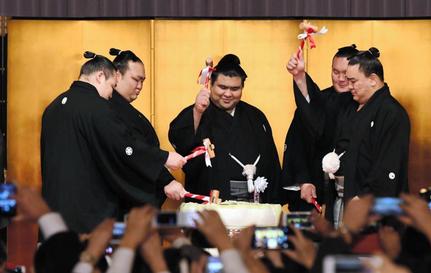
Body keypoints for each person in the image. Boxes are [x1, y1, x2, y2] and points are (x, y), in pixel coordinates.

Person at [41, 52, 186, 233]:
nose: (111, 95)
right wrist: (163, 158)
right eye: (112, 86)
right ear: (100, 76)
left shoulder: (52, 108)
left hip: (52, 209)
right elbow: (123, 148)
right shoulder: (97, 107)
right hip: (85, 212)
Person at [169, 54, 281, 203]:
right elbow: (182, 142)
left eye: (235, 89)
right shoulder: (199, 112)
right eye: (222, 87)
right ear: (211, 85)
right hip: (211, 201)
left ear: (242, 88)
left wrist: (273, 200)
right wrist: (197, 111)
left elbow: (270, 160)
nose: (228, 94)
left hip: (252, 202)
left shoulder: (255, 116)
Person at [327, 47, 410, 224]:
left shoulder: (391, 112)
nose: (349, 86)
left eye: (353, 81)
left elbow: (388, 166)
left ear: (373, 79)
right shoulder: (359, 108)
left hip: (375, 208)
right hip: (351, 198)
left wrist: (363, 199)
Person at [281, 45, 359, 216]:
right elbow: (298, 144)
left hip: (355, 195)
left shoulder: (366, 105)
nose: (340, 79)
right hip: (315, 189)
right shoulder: (321, 100)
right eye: (335, 72)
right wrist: (303, 181)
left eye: (345, 74)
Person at [109, 48, 185, 206]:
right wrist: (166, 179)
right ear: (117, 75)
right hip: (126, 199)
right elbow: (134, 150)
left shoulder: (121, 108)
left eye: (143, 81)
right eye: (136, 79)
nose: (140, 86)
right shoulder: (110, 109)